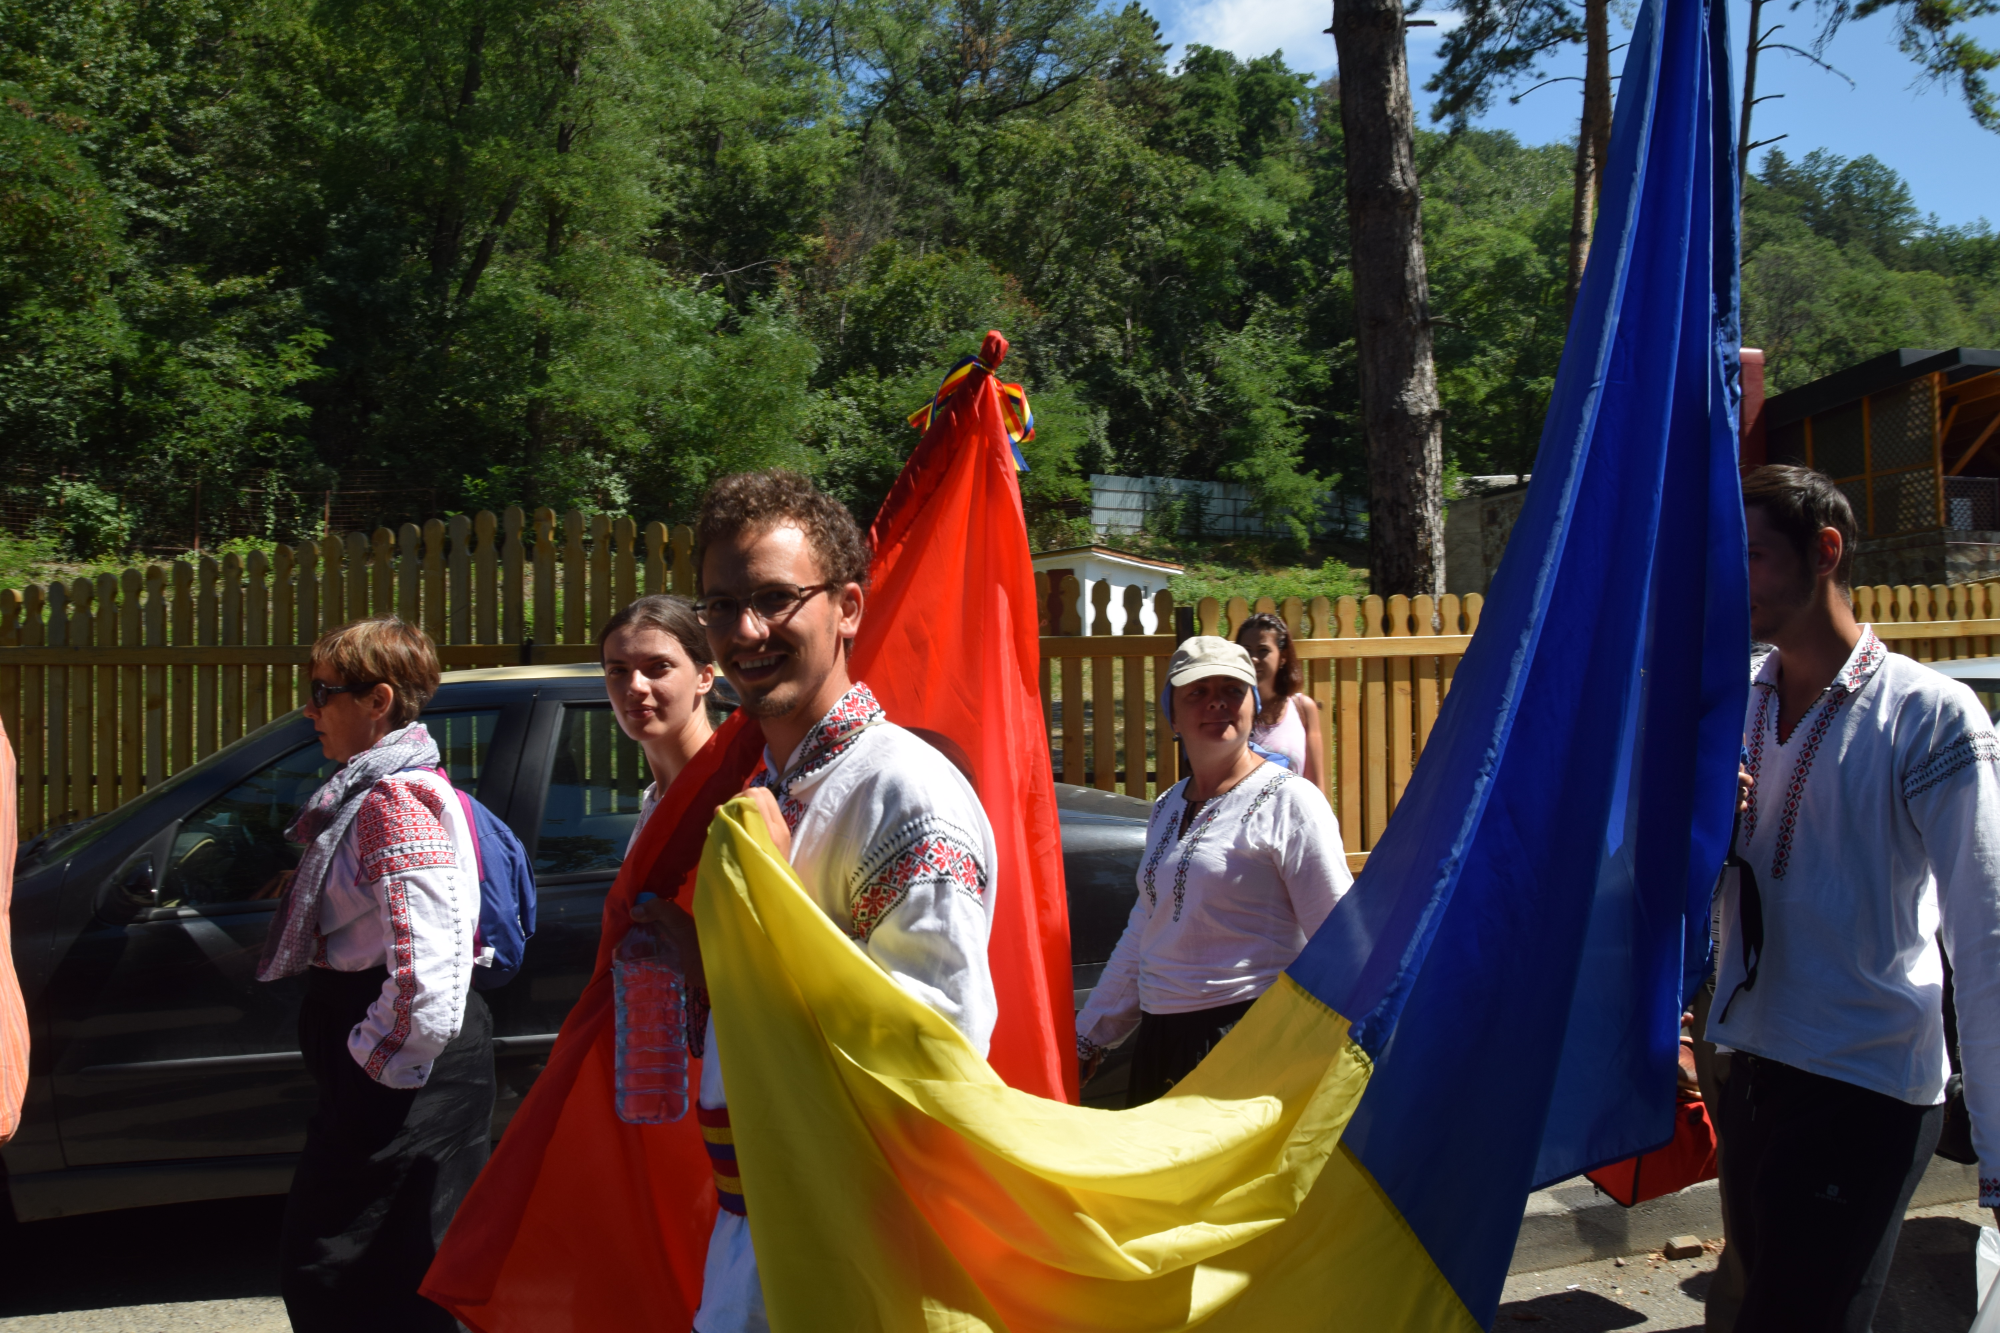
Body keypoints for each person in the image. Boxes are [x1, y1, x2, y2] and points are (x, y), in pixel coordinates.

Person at [631, 469, 998, 1333]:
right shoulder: (769, 782)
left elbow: (939, 1057)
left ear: (849, 608)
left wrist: (775, 919)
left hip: (858, 1255)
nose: (745, 631)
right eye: (721, 606)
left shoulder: (906, 796)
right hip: (758, 1242)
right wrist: (711, 968)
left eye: (774, 599)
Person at [1705, 465, 2000, 1331]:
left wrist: (1996, 1146)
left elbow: (1984, 936)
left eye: (1753, 556)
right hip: (1752, 1067)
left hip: (1864, 1079)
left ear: (1824, 551)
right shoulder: (1728, 707)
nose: (1734, 580)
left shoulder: (1932, 716)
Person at [262, 617, 494, 1332]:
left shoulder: (396, 802)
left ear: (378, 700)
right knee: (381, 1276)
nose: (309, 708)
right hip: (390, 1064)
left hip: (403, 1073)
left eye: (321, 691)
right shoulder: (369, 791)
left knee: (346, 1274)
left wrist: (369, 1065)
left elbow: (427, 984)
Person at [1074, 636, 1351, 1106]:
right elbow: (1146, 929)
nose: (1217, 702)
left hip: (1248, 1042)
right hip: (1161, 1042)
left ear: (1253, 706)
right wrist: (1090, 1036)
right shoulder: (1166, 806)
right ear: (1173, 716)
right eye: (1197, 692)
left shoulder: (1291, 802)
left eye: (1232, 689)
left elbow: (1338, 940)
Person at [601, 594, 719, 830]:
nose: (635, 686)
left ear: (704, 678)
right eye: (618, 670)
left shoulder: (726, 797)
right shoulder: (657, 797)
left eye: (659, 666)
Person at [1236, 611, 1325, 785]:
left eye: (1263, 650)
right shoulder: (1229, 709)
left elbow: (1316, 786)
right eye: (1246, 650)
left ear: (1282, 657)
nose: (1253, 659)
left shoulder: (1303, 708)